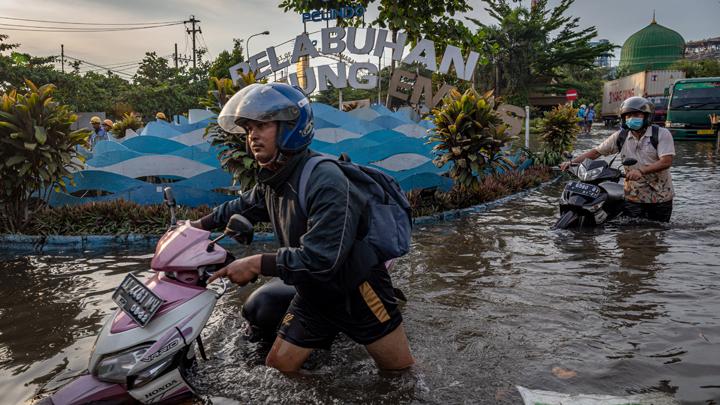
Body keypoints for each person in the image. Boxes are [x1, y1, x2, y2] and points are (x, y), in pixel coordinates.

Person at [189, 83, 415, 373]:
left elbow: (322, 259)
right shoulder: (276, 178)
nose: (253, 136)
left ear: (290, 128)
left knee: (400, 375)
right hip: (315, 292)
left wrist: (257, 263)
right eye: (248, 129)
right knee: (279, 367)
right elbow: (243, 206)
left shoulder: (326, 180)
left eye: (262, 125)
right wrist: (196, 226)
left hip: (358, 291)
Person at [561, 96, 675, 222]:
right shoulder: (621, 136)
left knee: (658, 232)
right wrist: (572, 163)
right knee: (628, 236)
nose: (632, 119)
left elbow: (666, 161)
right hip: (633, 196)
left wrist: (641, 171)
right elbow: (596, 152)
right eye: (628, 116)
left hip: (660, 196)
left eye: (637, 115)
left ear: (647, 116)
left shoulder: (661, 134)